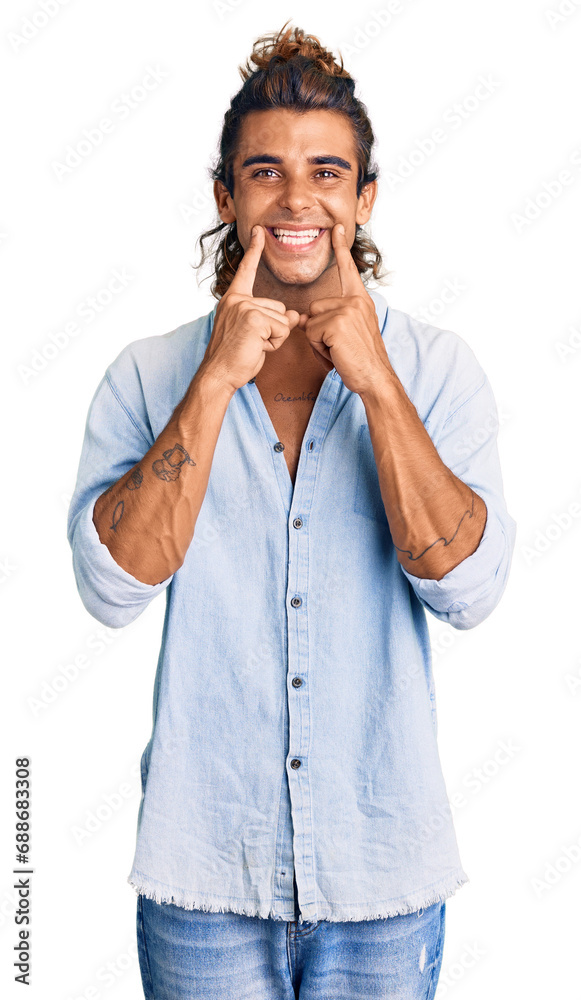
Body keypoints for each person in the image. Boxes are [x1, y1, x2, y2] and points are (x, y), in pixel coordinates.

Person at [66, 21, 516, 1000]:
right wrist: (214, 381)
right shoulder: (148, 374)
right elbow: (113, 587)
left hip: (382, 874)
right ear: (225, 197)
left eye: (326, 171)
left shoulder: (437, 369)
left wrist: (377, 383)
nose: (297, 198)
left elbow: (469, 589)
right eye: (265, 172)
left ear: (364, 197)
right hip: (203, 872)